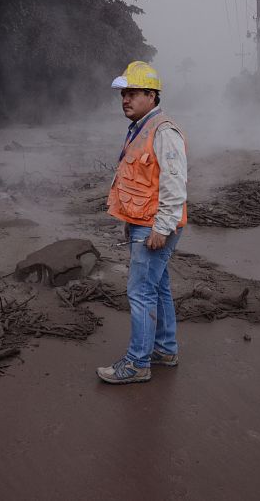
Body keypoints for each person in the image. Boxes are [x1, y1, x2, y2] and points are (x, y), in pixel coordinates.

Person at [96, 61, 188, 384]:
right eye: (124, 94)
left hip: (155, 226)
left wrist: (161, 228)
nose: (125, 99)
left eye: (132, 93)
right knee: (158, 287)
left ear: (152, 96)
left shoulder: (163, 132)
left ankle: (137, 363)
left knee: (140, 292)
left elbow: (175, 186)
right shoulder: (140, 128)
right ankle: (164, 349)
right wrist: (130, 220)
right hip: (144, 223)